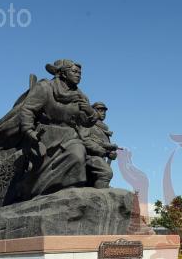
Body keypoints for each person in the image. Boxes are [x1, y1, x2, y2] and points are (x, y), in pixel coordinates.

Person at [18, 59, 98, 198]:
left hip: (70, 136)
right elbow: (28, 110)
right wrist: (29, 130)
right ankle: (38, 191)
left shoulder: (81, 97)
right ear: (63, 73)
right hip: (46, 136)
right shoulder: (46, 87)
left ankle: (70, 194)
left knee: (77, 156)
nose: (78, 75)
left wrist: (90, 111)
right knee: (37, 170)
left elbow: (85, 123)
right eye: (74, 71)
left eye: (80, 73)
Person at [79, 101, 118, 188]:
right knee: (106, 173)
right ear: (93, 111)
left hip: (99, 159)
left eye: (104, 111)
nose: (103, 113)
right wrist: (104, 151)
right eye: (100, 110)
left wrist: (111, 154)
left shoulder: (104, 129)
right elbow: (84, 140)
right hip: (88, 157)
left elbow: (104, 146)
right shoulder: (89, 124)